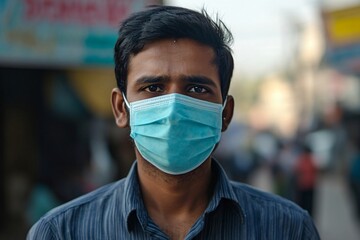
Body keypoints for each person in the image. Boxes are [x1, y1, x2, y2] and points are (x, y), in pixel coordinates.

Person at [27, 5, 320, 239]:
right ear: (121, 109)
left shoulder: (287, 228)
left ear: (225, 113)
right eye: (153, 88)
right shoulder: (62, 232)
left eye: (196, 89)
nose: (174, 108)